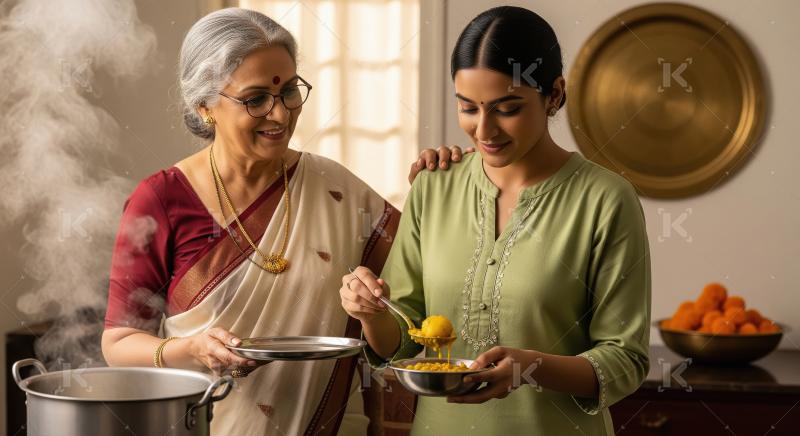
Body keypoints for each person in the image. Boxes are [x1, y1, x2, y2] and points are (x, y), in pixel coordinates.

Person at [101, 7, 467, 435]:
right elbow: (120, 344)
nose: (280, 115)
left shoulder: (336, 189)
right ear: (205, 106)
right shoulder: (162, 200)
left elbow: (428, 281)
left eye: (289, 91)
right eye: (255, 99)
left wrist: (444, 188)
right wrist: (191, 349)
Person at [341, 6, 651, 435]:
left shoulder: (605, 199)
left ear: (555, 94)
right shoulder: (433, 187)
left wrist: (531, 367)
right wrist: (370, 314)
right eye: (468, 108)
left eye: (507, 108)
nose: (484, 130)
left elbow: (626, 359)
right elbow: (404, 341)